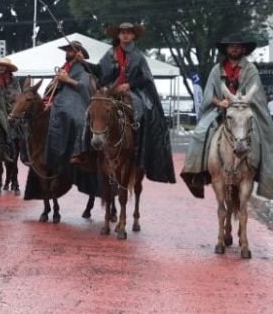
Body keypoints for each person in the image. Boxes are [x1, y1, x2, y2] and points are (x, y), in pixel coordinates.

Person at [180, 35, 273, 198]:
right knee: (200, 132)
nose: (234, 48)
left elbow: (256, 96)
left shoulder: (251, 70)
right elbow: (209, 95)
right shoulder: (217, 69)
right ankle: (198, 171)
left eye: (238, 46)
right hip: (221, 112)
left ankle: (264, 175)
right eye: (231, 46)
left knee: (265, 134)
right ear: (226, 49)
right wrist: (219, 102)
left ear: (243, 49)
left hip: (245, 110)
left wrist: (241, 103)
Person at [84, 22, 175, 184]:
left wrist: (129, 85)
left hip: (132, 91)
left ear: (133, 36)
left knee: (144, 110)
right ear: (118, 35)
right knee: (92, 110)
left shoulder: (138, 56)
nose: (125, 35)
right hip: (110, 91)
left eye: (129, 32)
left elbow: (145, 77)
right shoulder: (110, 53)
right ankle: (86, 152)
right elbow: (98, 71)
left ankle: (140, 146)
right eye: (122, 32)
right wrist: (82, 61)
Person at [43, 42, 97, 195]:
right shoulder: (63, 68)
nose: (67, 52)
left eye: (70, 50)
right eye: (66, 49)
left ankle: (78, 151)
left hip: (77, 101)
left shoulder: (85, 72)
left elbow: (84, 87)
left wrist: (67, 80)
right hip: (59, 100)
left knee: (77, 118)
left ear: (78, 53)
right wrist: (55, 82)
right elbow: (50, 88)